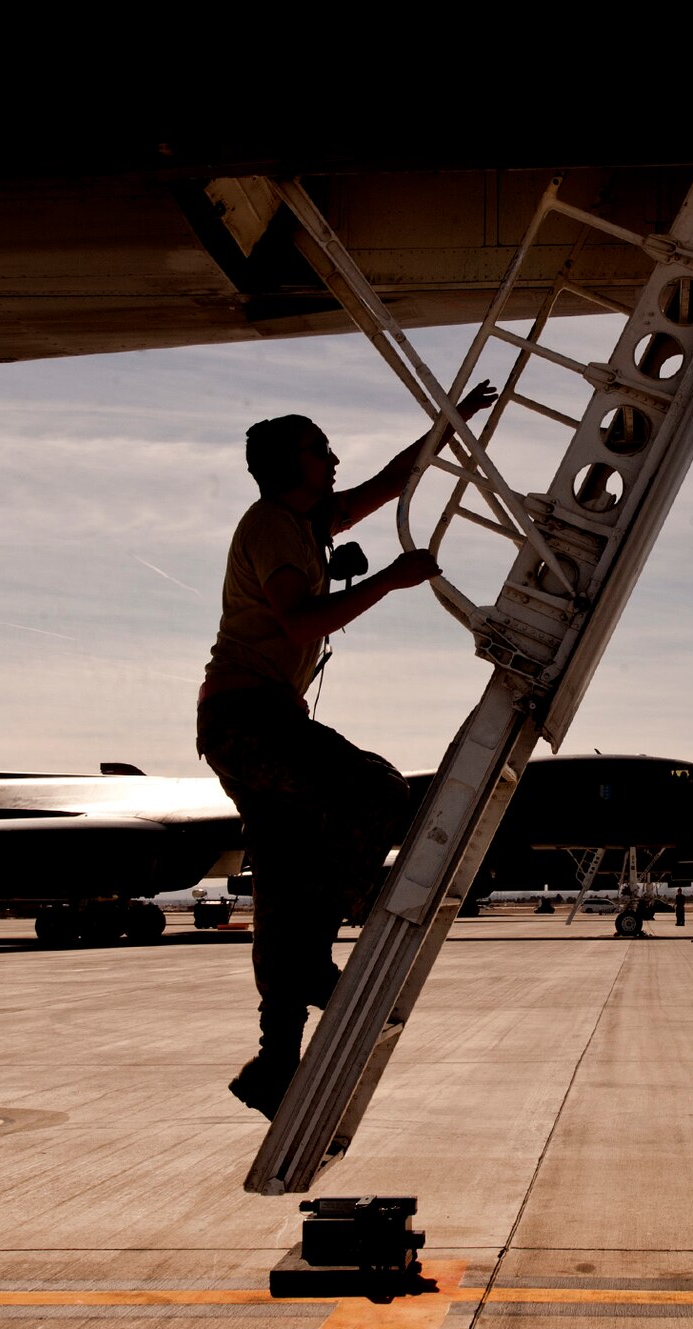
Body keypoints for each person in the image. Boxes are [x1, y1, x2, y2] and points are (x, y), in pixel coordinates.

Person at [199, 384, 495, 1117]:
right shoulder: (272, 524)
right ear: (284, 464)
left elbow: (392, 481)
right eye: (319, 448)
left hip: (250, 722)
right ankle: (320, 950)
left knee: (285, 880)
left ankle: (275, 1062)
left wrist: (451, 422)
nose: (333, 458)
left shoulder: (311, 519)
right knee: (378, 792)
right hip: (249, 720)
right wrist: (392, 580)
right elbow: (300, 623)